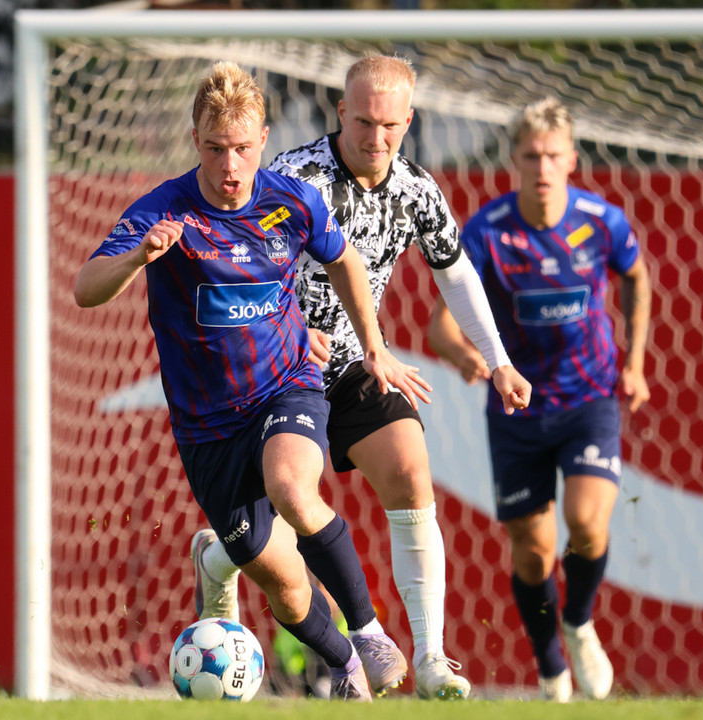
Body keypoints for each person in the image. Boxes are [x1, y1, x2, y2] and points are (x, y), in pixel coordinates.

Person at [74, 61, 432, 702]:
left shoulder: (291, 201)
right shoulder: (164, 210)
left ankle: (371, 633)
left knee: (292, 486)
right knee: (284, 584)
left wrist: (374, 347)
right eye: (215, 149)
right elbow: (86, 288)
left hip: (287, 385)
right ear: (195, 141)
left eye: (241, 148)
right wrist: (138, 256)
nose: (229, 166)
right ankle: (343, 665)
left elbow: (345, 261)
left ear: (263, 139)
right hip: (208, 429)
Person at [263, 54, 531, 700]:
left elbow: (456, 274)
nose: (375, 138)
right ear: (341, 113)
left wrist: (498, 360)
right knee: (270, 531)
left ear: (408, 121)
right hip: (278, 368)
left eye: (389, 125)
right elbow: (248, 264)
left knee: (411, 470)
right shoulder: (294, 178)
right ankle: (218, 559)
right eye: (363, 122)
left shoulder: (416, 189)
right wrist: (291, 329)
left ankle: (432, 660)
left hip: (361, 361)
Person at [427, 97, 651, 702]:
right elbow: (440, 327)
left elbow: (636, 276)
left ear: (572, 159)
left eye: (554, 155)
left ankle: (578, 621)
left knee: (587, 522)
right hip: (517, 408)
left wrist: (633, 363)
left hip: (589, 399)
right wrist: (468, 357)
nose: (543, 166)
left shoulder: (602, 222)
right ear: (514, 160)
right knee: (532, 551)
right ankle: (552, 668)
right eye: (531, 155)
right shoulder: (487, 231)